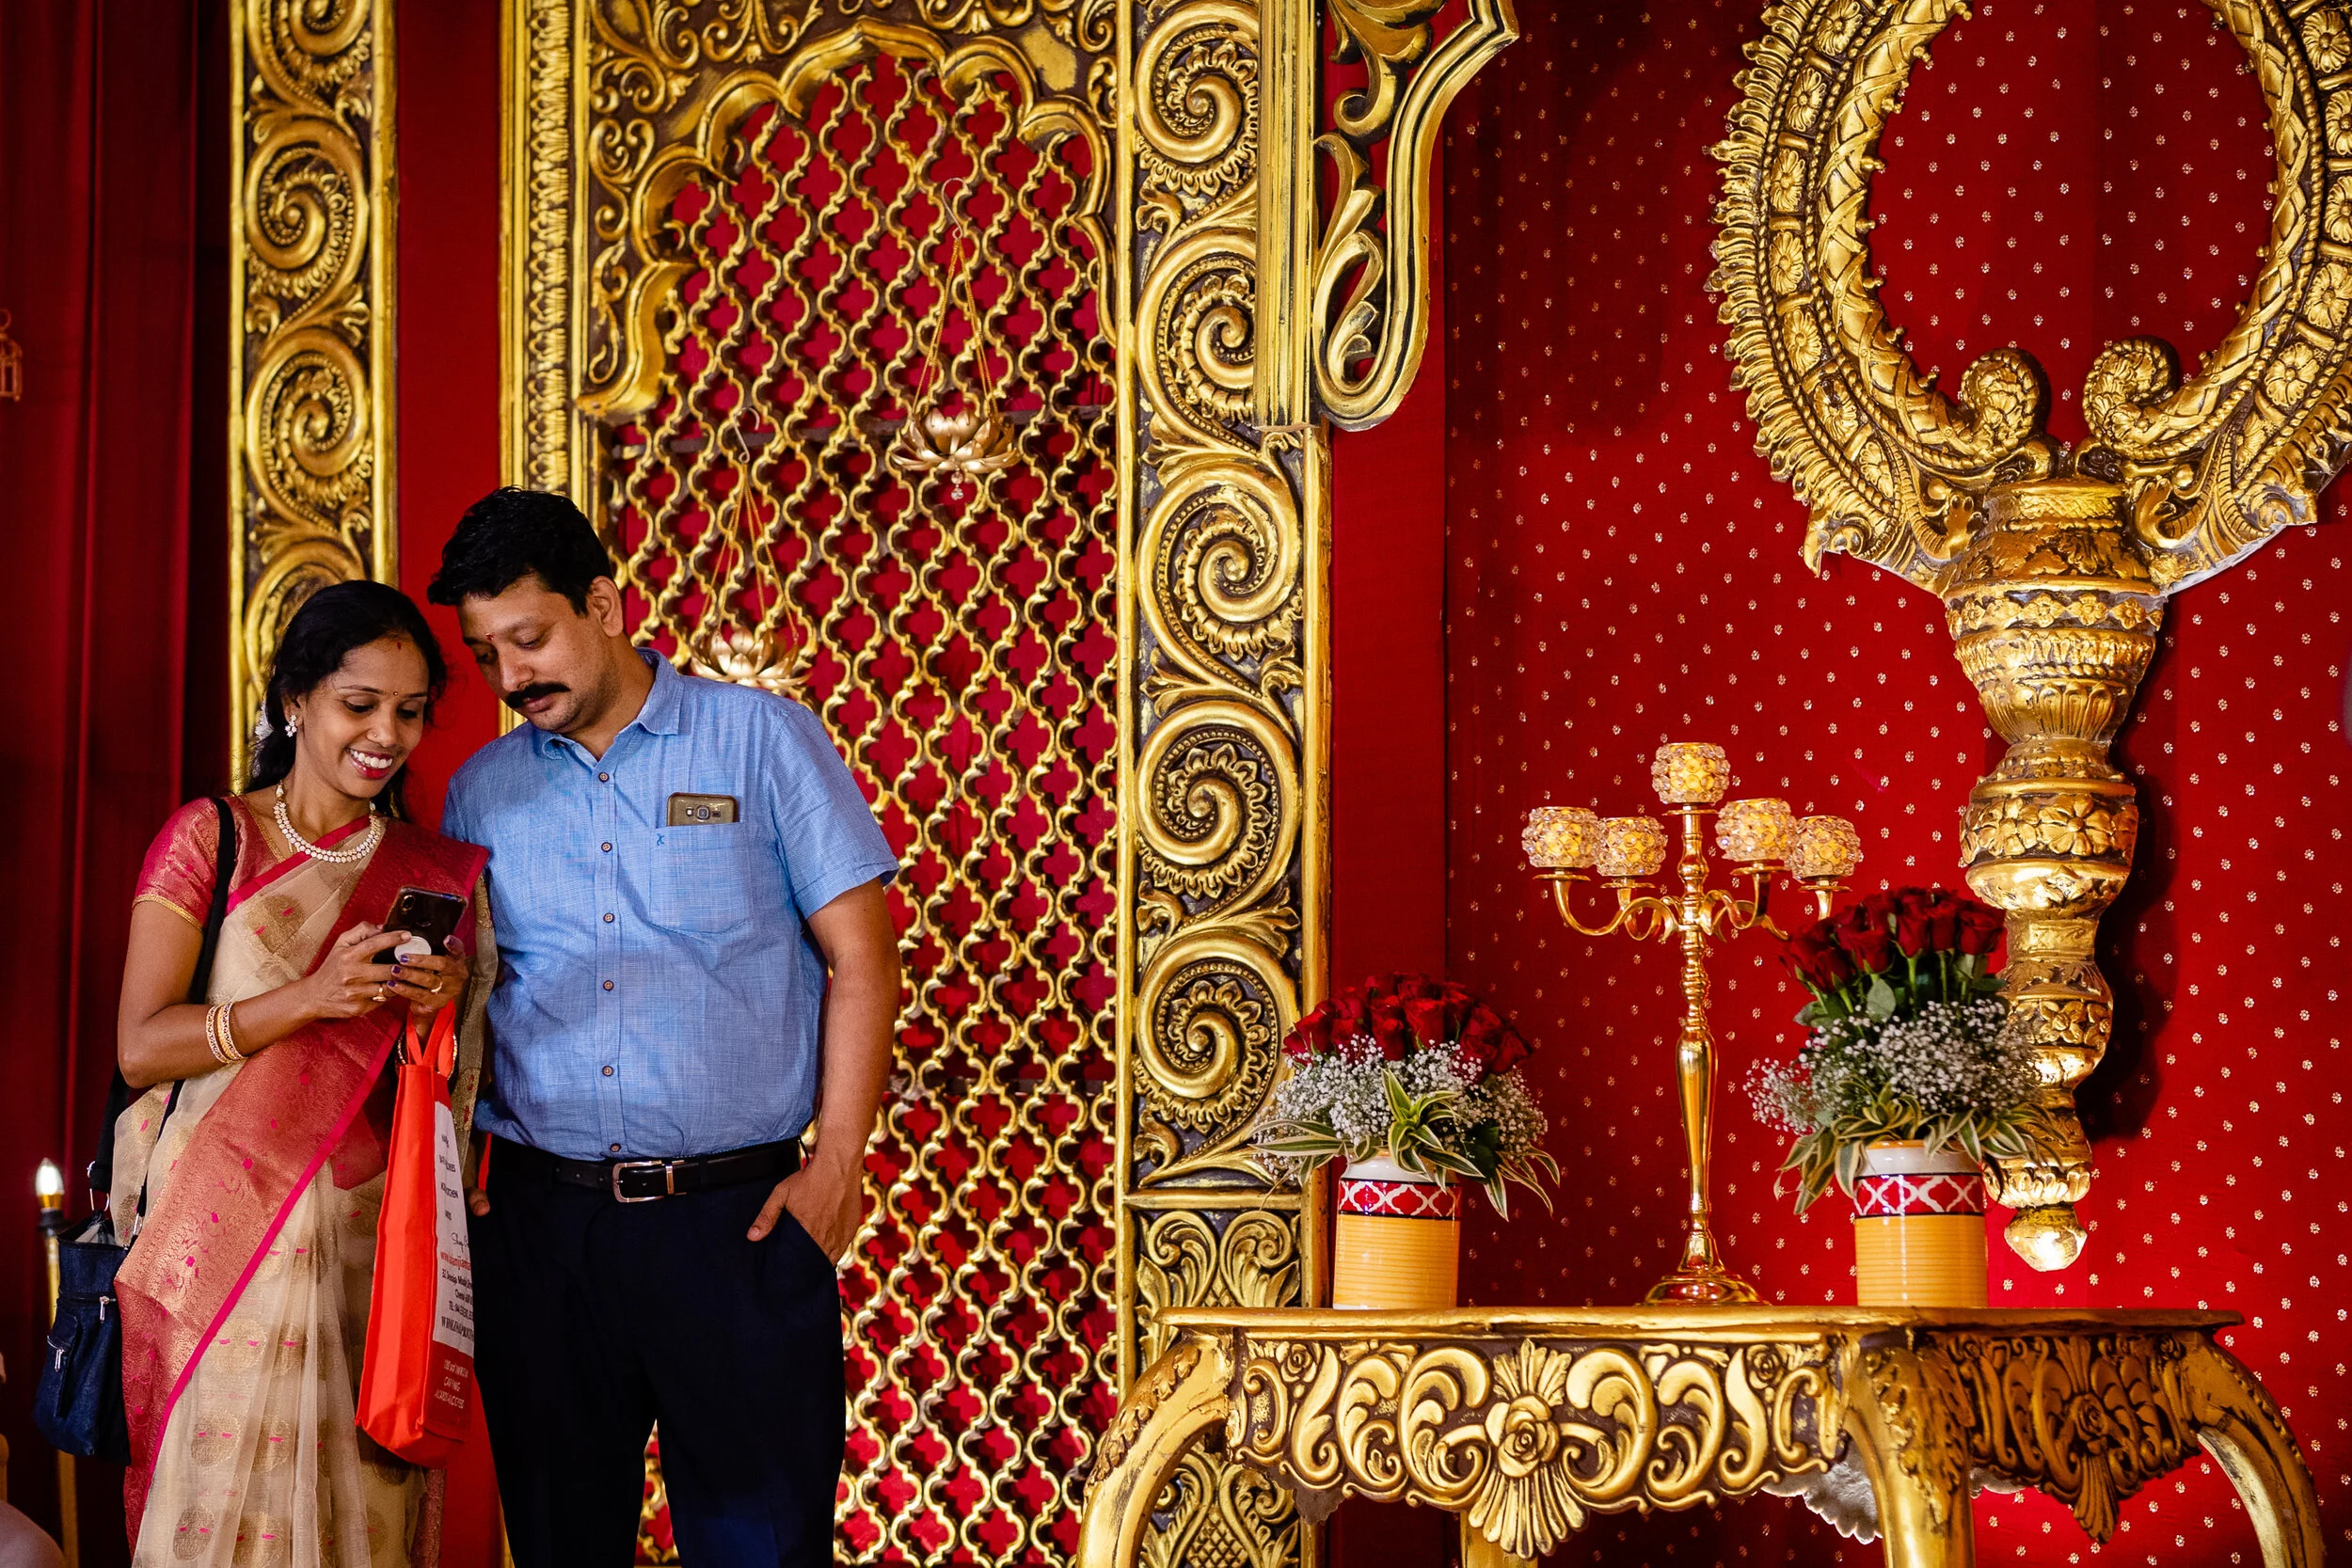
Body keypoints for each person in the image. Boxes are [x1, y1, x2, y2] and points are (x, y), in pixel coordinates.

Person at [429, 488, 901, 1568]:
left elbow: (864, 960)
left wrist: (839, 1162)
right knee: (558, 1544)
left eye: (532, 638)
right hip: (544, 1234)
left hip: (733, 1227)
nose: (512, 680)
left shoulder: (763, 742)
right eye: (486, 652)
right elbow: (458, 1001)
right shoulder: (480, 792)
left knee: (764, 1548)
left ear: (603, 601)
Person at [111, 581, 492, 1568]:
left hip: (371, 1254)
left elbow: (442, 1088)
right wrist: (313, 996)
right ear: (294, 701)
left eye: (409, 711)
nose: (387, 734)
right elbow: (141, 1044)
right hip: (223, 1238)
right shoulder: (212, 836)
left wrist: (433, 1007)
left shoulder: (427, 867)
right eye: (358, 703)